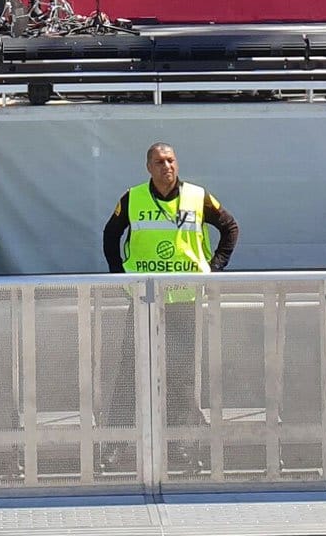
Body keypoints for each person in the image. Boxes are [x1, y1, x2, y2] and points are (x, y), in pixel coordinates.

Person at [102, 142, 239, 471]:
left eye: (171, 160)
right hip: (144, 299)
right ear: (148, 167)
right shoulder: (133, 198)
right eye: (160, 162)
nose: (167, 167)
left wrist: (214, 268)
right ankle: (117, 444)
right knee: (130, 373)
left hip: (184, 301)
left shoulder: (197, 197)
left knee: (180, 377)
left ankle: (180, 444)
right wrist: (120, 275)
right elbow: (110, 235)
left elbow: (230, 228)